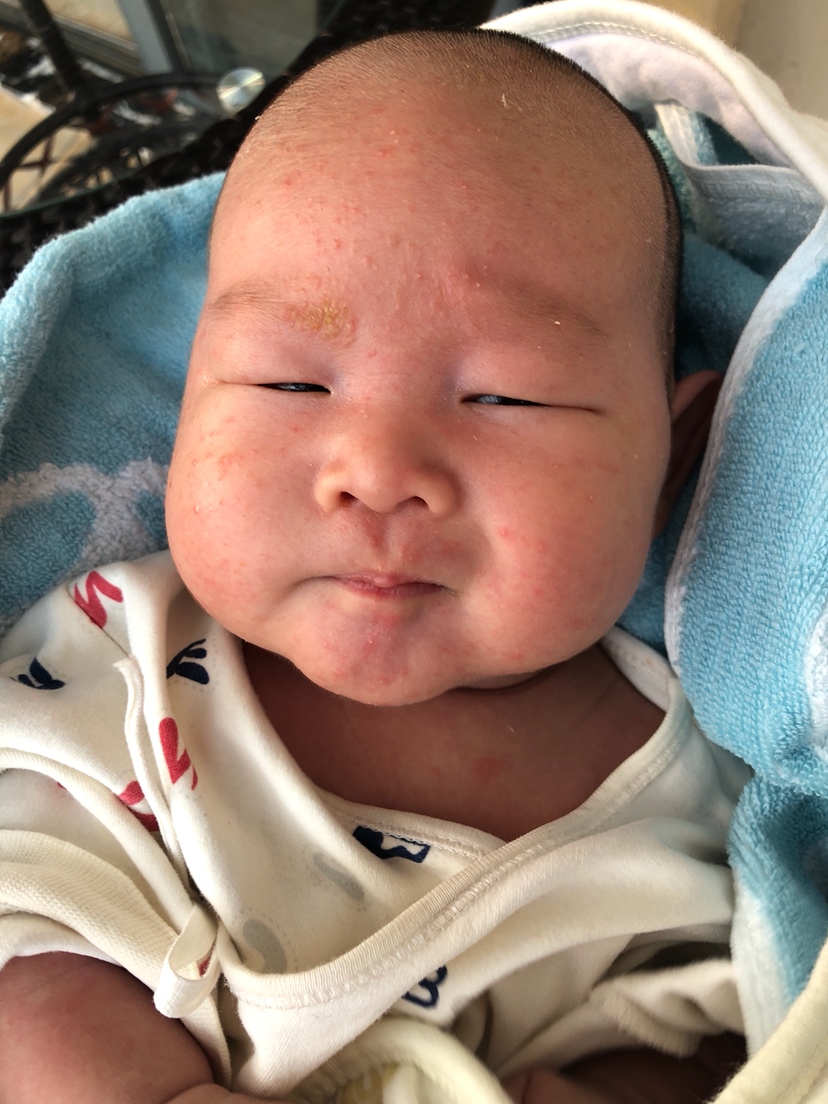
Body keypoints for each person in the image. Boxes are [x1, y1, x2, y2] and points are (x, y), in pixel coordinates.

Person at [0, 25, 749, 1104]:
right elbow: (24, 918)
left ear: (671, 459)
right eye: (289, 384)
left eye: (507, 395)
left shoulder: (710, 791)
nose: (378, 472)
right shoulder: (114, 660)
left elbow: (745, 1028)